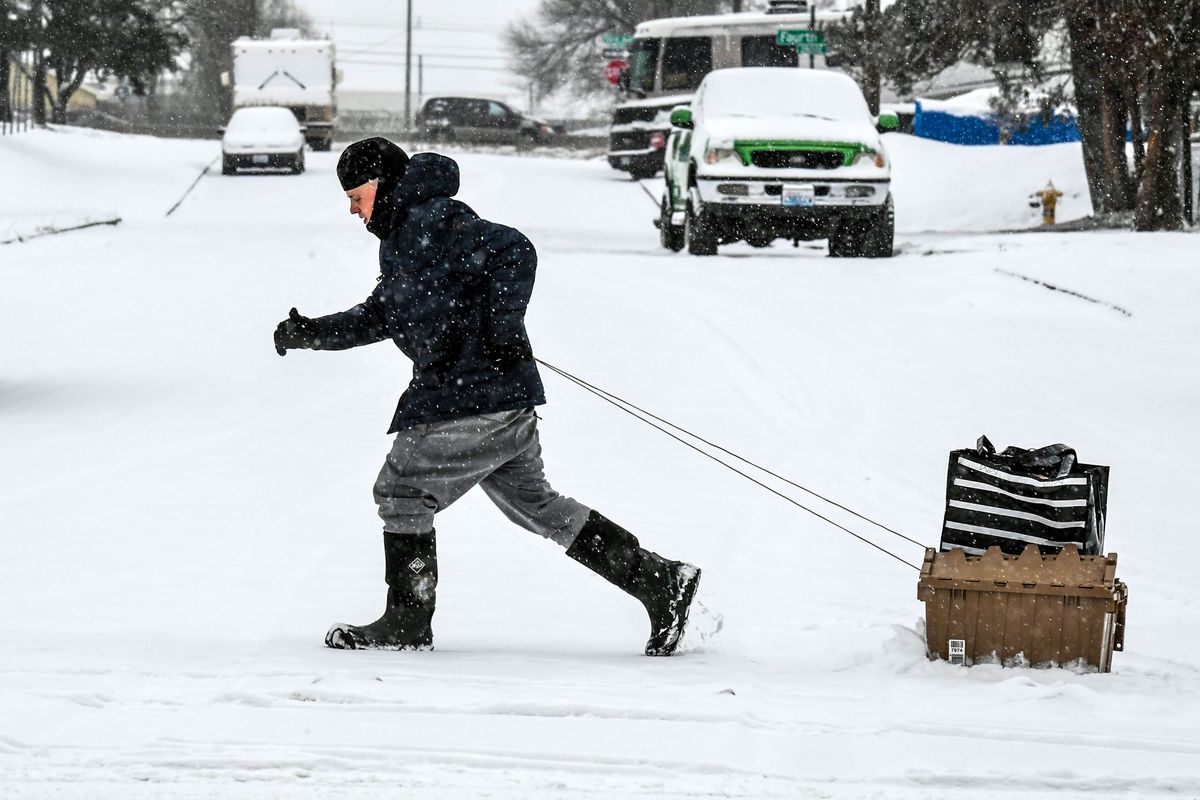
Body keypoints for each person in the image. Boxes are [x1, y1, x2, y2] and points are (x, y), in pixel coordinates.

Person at [273, 137, 702, 656]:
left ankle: (408, 621)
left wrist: (502, 325)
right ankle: (659, 580)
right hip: (499, 397)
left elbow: (515, 249)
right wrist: (312, 332)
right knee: (537, 505)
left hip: (469, 396)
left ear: (381, 185)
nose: (352, 209)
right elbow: (380, 315)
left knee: (403, 491)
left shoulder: (429, 222)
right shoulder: (406, 238)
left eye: (356, 195)